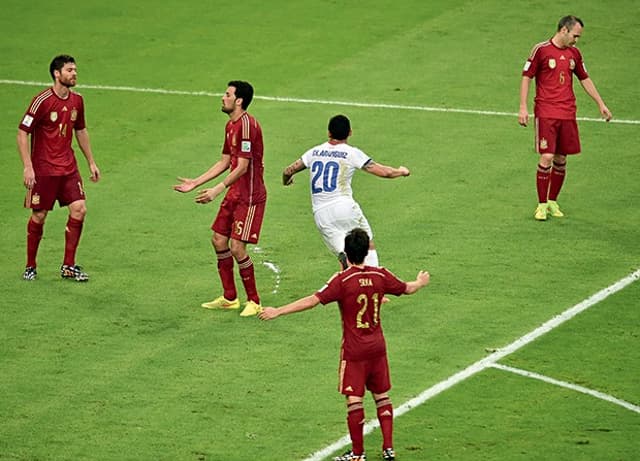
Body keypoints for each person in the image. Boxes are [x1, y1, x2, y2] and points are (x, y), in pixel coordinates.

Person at [259, 228, 430, 461]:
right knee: (382, 396)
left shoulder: (342, 280)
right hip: (378, 347)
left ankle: (358, 454)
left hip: (354, 350)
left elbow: (312, 301)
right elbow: (408, 288)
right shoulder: (380, 275)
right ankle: (388, 448)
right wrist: (420, 282)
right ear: (365, 253)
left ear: (346, 255)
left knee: (354, 400)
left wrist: (278, 310)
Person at [174, 80, 266, 317]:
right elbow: (225, 161)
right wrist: (196, 181)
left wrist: (216, 190)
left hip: (250, 197)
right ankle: (229, 297)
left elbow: (243, 167)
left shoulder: (247, 126)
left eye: (227, 94)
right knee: (218, 240)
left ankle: (254, 301)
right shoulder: (230, 126)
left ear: (239, 101)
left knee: (237, 247)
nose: (222, 98)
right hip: (234, 193)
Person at [282, 114, 410, 269]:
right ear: (350, 132)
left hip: (321, 215)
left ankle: (348, 279)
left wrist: (286, 179)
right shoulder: (350, 152)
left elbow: (289, 170)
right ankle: (373, 282)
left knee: (346, 256)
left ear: (329, 133)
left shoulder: (314, 152)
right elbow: (384, 172)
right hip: (344, 208)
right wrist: (401, 171)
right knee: (365, 245)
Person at [518, 15, 612, 221]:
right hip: (546, 112)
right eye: (575, 36)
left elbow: (585, 79)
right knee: (547, 156)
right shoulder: (541, 50)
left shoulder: (574, 54)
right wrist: (523, 107)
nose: (576, 40)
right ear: (563, 30)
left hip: (568, 112)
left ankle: (552, 201)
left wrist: (600, 103)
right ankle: (541, 205)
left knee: (561, 158)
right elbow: (526, 76)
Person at [17, 54, 101, 282]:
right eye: (70, 70)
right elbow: (23, 132)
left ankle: (68, 266)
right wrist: (28, 167)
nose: (74, 73)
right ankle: (31, 265)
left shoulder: (77, 101)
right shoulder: (41, 101)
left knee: (79, 209)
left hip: (68, 168)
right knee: (39, 215)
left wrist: (91, 161)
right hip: (44, 170)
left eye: (75, 70)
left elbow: (81, 130)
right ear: (57, 73)